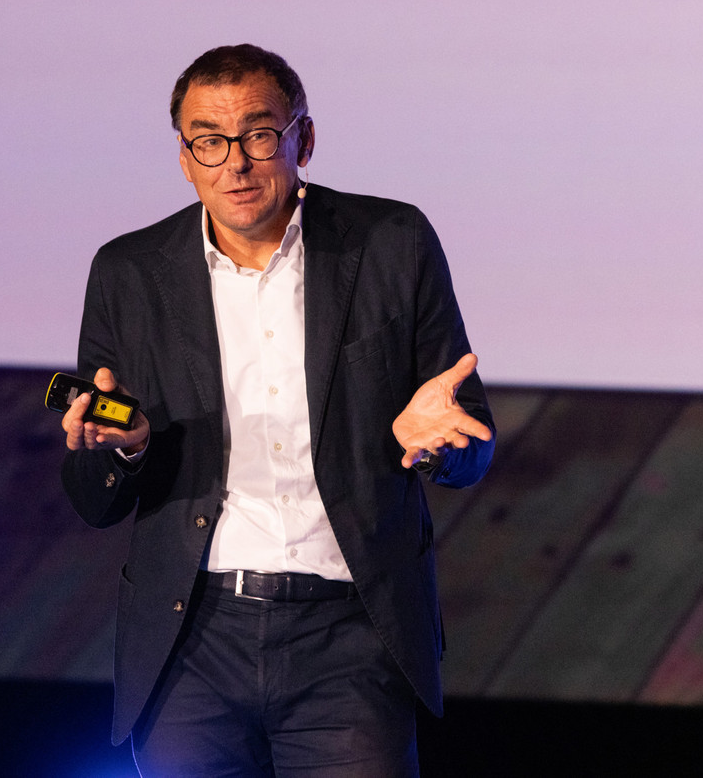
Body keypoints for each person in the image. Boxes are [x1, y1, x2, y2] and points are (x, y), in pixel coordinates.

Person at [60, 44, 494, 777]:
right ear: (184, 156)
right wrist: (121, 448)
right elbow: (93, 501)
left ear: (304, 139)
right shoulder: (129, 273)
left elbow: (469, 436)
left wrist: (439, 445)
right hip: (190, 638)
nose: (236, 163)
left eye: (260, 135)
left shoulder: (393, 244)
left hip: (350, 634)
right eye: (209, 141)